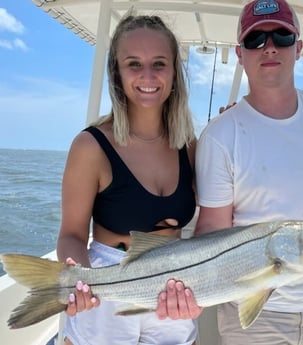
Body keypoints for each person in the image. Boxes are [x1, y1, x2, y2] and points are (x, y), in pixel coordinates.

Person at [157, 0, 303, 344]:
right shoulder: (220, 135)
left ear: (298, 48)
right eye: (255, 39)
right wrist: (189, 291)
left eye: (281, 36)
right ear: (240, 53)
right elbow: (212, 231)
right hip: (251, 319)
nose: (269, 47)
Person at [56, 14, 198, 345]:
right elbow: (71, 235)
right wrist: (79, 278)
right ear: (116, 73)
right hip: (109, 285)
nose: (147, 75)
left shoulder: (189, 145)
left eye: (159, 63)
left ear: (174, 72)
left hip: (173, 288)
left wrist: (232, 128)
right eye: (133, 64)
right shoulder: (90, 146)